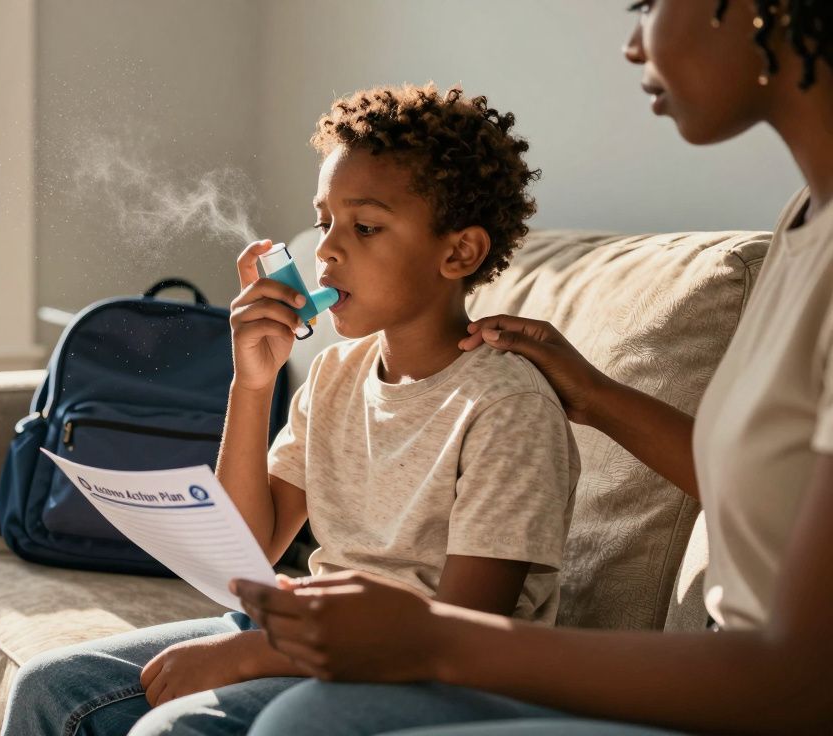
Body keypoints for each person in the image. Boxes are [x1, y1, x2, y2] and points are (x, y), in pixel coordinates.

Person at [232, 1, 833, 734]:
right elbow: (766, 493)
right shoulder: (808, 222)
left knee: (304, 725)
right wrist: (598, 396)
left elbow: (803, 683)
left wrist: (414, 639)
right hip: (725, 670)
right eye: (324, 222)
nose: (633, 45)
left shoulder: (501, 401)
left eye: (649, 3)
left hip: (753, 699)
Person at [0, 82, 580, 736]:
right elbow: (243, 558)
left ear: (459, 252)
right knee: (51, 687)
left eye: (364, 226)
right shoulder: (336, 372)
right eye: (324, 220)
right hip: (306, 637)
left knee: (174, 730)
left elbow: (462, 635)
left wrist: (254, 653)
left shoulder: (506, 407)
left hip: (432, 683)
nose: (328, 250)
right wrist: (252, 383)